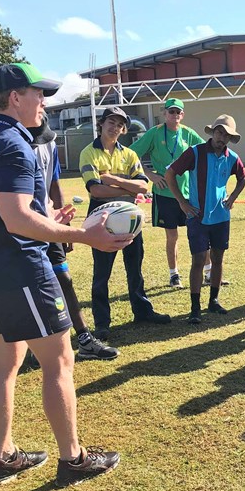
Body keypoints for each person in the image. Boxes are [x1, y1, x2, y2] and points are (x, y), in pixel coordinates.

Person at [0, 62, 122, 487]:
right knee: (60, 361)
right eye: (38, 93)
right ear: (15, 97)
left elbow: (6, 211)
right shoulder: (15, 144)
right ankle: (73, 459)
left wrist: (48, 214)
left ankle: (5, 456)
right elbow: (15, 219)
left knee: (7, 361)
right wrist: (82, 234)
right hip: (22, 269)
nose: (45, 102)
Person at [28, 116, 120, 361]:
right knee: (31, 283)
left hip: (49, 221)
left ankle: (84, 338)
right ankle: (36, 345)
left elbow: (54, 182)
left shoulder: (48, 142)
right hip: (24, 226)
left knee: (63, 279)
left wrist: (63, 222)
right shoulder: (15, 143)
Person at [80, 107, 172, 341]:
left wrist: (110, 178)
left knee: (135, 265)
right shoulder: (89, 152)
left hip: (130, 216)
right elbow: (96, 189)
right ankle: (102, 323)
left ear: (123, 130)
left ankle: (142, 311)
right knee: (102, 271)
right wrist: (125, 186)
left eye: (120, 125)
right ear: (101, 124)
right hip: (101, 216)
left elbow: (143, 187)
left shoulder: (130, 154)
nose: (115, 127)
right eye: (111, 122)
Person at [165, 114, 245, 324]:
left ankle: (214, 301)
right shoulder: (195, 153)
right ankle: (195, 308)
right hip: (198, 217)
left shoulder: (232, 157)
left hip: (221, 217)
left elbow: (243, 178)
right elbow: (170, 174)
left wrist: (232, 198)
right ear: (213, 132)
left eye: (227, 135)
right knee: (199, 260)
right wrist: (182, 202)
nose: (222, 138)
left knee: (218, 259)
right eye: (220, 132)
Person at [130, 98, 210, 289]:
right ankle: (174, 275)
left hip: (188, 194)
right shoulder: (155, 133)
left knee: (199, 233)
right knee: (172, 236)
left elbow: (206, 152)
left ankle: (208, 272)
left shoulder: (188, 134)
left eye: (178, 112)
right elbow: (131, 154)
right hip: (165, 193)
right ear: (164, 114)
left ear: (182, 115)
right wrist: (149, 174)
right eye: (171, 112)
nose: (174, 115)